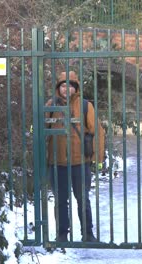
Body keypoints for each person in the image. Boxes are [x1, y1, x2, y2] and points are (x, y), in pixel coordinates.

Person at [45, 70, 105, 243]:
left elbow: (98, 132)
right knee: (61, 201)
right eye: (63, 86)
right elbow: (42, 129)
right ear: (59, 87)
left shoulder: (85, 106)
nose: (67, 89)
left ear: (75, 88)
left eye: (70, 86)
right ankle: (62, 234)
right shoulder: (51, 105)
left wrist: (98, 158)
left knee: (83, 199)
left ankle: (88, 234)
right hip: (57, 162)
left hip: (80, 162)